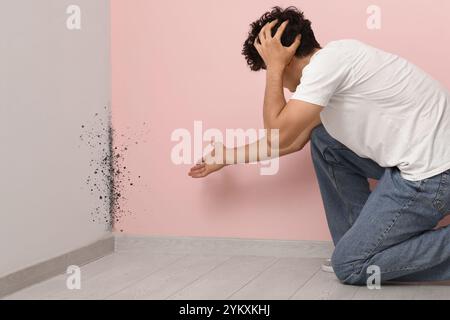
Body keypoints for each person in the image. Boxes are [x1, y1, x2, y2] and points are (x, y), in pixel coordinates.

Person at [188, 6, 450, 285]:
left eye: (270, 65)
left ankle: (356, 256)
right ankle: (359, 243)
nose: (280, 83)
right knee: (325, 141)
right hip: (422, 166)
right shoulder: (330, 72)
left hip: (434, 176)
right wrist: (228, 156)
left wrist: (274, 68)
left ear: (286, 58)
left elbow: (280, 134)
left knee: (349, 267)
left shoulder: (329, 64)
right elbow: (291, 141)